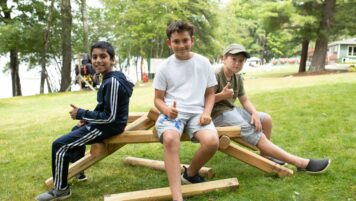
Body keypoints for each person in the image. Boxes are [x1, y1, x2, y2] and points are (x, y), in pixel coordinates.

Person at [36, 41, 134, 201]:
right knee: (76, 131)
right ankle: (79, 172)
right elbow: (103, 107)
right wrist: (86, 119)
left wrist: (81, 113)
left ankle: (61, 190)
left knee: (59, 145)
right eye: (94, 57)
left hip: (110, 127)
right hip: (107, 124)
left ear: (112, 59)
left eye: (103, 56)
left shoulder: (113, 82)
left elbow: (110, 117)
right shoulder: (109, 78)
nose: (98, 60)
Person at [212, 43, 331, 174]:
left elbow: (244, 99)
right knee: (258, 136)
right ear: (224, 58)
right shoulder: (215, 74)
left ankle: (265, 155)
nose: (237, 63)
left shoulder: (237, 77)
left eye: (241, 61)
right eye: (233, 59)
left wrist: (255, 114)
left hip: (231, 110)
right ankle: (301, 163)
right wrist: (222, 96)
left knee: (265, 119)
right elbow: (202, 101)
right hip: (217, 116)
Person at [153, 21, 219, 201]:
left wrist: (207, 113)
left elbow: (210, 94)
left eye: (185, 40)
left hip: (197, 113)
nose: (181, 45)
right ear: (169, 43)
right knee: (170, 138)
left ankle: (189, 173)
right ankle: (177, 197)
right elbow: (157, 99)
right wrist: (166, 110)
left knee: (213, 142)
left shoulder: (204, 62)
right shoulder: (164, 67)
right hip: (172, 114)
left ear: (193, 40)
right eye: (176, 41)